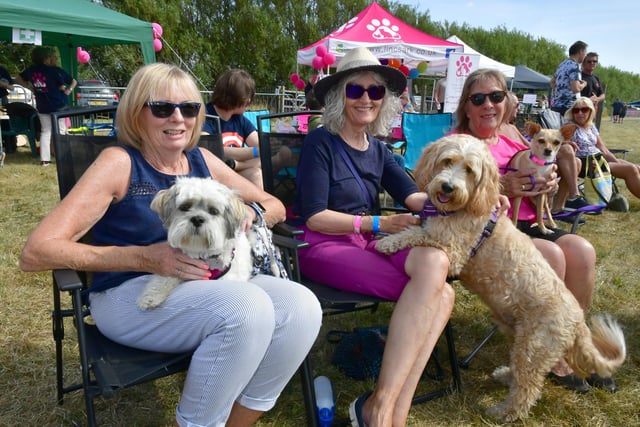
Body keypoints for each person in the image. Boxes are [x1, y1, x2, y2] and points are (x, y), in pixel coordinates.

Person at [19, 63, 322, 426]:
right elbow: (36, 252)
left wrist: (252, 213)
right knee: (246, 308)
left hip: (214, 277)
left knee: (302, 306)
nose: (178, 118)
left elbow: (273, 205)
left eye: (190, 108)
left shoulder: (202, 160)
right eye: (162, 108)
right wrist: (146, 258)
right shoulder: (119, 163)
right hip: (130, 293)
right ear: (136, 113)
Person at [294, 47, 456, 427]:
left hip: (367, 241)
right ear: (338, 95)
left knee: (437, 268)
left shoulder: (379, 150)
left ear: (384, 100)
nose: (366, 98)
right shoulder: (322, 143)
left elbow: (414, 196)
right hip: (323, 243)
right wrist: (377, 224)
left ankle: (387, 408)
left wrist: (452, 198)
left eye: (375, 91)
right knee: (439, 292)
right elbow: (315, 217)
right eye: (355, 90)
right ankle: (385, 411)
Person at [454, 68, 615, 393]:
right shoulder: (458, 143)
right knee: (551, 254)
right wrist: (499, 183)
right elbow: (448, 193)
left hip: (529, 221)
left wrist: (553, 182)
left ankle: (571, 344)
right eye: (478, 98)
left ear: (507, 102)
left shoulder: (514, 135)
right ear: (466, 106)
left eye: (496, 96)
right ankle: (554, 361)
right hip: (485, 235)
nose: (489, 105)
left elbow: (544, 162)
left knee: (582, 251)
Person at [202, 69, 290, 189]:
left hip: (235, 171)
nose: (249, 101)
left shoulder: (239, 119)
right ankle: (260, 205)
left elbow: (260, 143)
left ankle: (237, 165)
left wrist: (271, 144)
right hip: (214, 175)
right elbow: (207, 149)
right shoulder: (206, 116)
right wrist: (255, 151)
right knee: (256, 173)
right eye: (248, 97)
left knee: (284, 152)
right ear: (237, 97)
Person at [567, 96, 640, 198]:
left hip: (599, 159)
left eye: (584, 110)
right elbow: (566, 152)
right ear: (572, 112)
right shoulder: (569, 127)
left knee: (637, 167)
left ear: (590, 111)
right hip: (587, 165)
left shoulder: (590, 126)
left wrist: (616, 162)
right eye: (576, 110)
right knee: (631, 169)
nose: (580, 113)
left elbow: (603, 148)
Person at [16, 47, 77, 166]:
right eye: (53, 56)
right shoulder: (55, 71)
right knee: (60, 131)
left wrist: (30, 87)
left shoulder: (31, 70)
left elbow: (18, 78)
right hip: (58, 105)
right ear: (46, 58)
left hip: (42, 105)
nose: (55, 58)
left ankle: (45, 160)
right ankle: (63, 158)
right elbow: (69, 82)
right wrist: (68, 90)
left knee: (46, 132)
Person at [551, 41, 588, 116]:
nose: (586, 56)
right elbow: (575, 89)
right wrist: (584, 84)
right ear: (581, 51)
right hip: (568, 108)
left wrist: (561, 91)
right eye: (585, 53)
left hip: (556, 106)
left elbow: (552, 82)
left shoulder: (562, 64)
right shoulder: (574, 66)